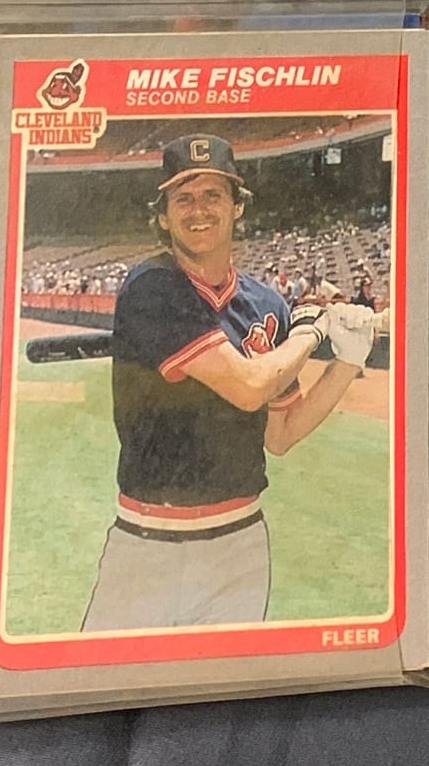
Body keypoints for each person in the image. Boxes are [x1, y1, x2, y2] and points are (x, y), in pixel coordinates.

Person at [82, 133, 379, 630]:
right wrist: (310, 331)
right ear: (163, 216)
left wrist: (348, 360)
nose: (199, 209)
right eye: (183, 198)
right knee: (108, 677)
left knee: (225, 680)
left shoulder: (267, 305)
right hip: (148, 543)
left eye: (213, 195)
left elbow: (281, 434)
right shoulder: (153, 287)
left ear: (237, 206)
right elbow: (248, 387)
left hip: (241, 542)